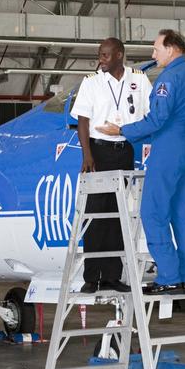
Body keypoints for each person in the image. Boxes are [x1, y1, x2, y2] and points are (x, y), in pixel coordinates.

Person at [98, 29, 185, 296]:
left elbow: (157, 120)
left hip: (168, 150)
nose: (153, 54)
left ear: (171, 49)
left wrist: (122, 131)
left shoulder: (168, 78)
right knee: (183, 214)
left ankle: (168, 276)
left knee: (153, 212)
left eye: (156, 48)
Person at [70, 37, 152, 293]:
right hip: (99, 151)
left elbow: (152, 114)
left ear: (119, 55)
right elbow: (83, 121)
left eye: (105, 55)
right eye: (99, 55)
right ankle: (91, 277)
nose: (100, 60)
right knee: (96, 215)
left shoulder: (139, 81)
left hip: (125, 150)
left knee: (117, 216)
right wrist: (87, 155)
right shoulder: (91, 83)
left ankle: (112, 277)